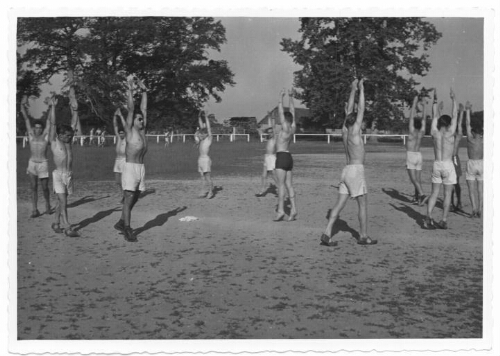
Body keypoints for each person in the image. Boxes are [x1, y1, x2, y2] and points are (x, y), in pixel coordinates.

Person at [320, 78, 377, 246]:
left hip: (346, 170)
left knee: (339, 204)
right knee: (363, 205)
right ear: (356, 121)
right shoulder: (354, 132)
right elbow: (360, 108)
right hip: (356, 171)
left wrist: (352, 89)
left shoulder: (345, 131)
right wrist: (361, 88)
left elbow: (350, 110)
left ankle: (327, 232)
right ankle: (364, 236)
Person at [114, 75, 148, 242]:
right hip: (130, 168)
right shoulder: (129, 130)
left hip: (140, 168)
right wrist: (130, 89)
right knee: (128, 197)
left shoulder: (142, 131)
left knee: (135, 196)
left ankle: (121, 221)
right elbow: (132, 108)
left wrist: (144, 91)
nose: (142, 120)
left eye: (142, 119)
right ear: (132, 120)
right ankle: (127, 228)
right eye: (139, 119)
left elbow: (144, 108)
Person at [423, 88, 458, 230]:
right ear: (449, 124)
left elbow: (434, 116)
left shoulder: (434, 132)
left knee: (434, 193)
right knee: (447, 193)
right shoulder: (450, 133)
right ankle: (443, 219)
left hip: (437, 164)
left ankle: (428, 216)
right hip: (448, 165)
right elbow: (455, 114)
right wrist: (454, 99)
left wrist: (435, 101)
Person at [48, 94, 80, 237]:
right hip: (58, 175)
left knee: (61, 201)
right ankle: (67, 226)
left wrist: (76, 110)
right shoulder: (55, 143)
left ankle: (55, 222)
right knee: (63, 200)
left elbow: (73, 124)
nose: (68, 137)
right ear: (59, 135)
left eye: (69, 135)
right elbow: (53, 124)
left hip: (69, 175)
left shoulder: (69, 143)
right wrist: (53, 107)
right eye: (65, 135)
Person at [20, 95, 52, 218]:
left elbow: (49, 122)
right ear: (34, 128)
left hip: (43, 163)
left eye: (40, 128)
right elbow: (26, 119)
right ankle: (34, 209)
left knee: (44, 187)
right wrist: (22, 106)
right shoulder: (31, 135)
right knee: (33, 187)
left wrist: (50, 106)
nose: (38, 129)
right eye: (36, 127)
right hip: (32, 163)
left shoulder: (45, 136)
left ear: (42, 129)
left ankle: (48, 205)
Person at [274, 89, 297, 222]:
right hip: (289, 157)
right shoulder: (293, 128)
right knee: (289, 185)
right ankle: (293, 210)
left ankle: (281, 210)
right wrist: (292, 98)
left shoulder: (285, 128)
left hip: (281, 157)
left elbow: (280, 111)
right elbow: (292, 113)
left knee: (281, 185)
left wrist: (280, 98)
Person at [406, 94, 428, 205]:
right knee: (418, 179)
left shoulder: (411, 131)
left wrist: (414, 103)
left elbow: (411, 117)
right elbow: (424, 118)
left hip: (411, 155)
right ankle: (417, 198)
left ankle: (422, 194)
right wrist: (424, 107)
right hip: (419, 155)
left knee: (413, 179)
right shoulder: (422, 131)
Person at [464, 101, 483, 218]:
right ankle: (480, 209)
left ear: (473, 131)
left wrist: (467, 111)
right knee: (480, 189)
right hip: (481, 163)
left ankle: (474, 209)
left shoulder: (470, 139)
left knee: (471, 189)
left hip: (472, 163)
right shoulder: (482, 140)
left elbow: (467, 123)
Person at [256, 116, 277, 197]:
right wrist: (258, 129)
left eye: (271, 132)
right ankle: (261, 191)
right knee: (264, 175)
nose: (270, 133)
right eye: (269, 132)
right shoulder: (268, 138)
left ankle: (280, 189)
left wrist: (271, 119)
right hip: (267, 157)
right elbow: (261, 132)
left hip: (271, 157)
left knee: (273, 175)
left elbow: (273, 128)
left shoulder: (274, 138)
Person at [195, 110, 214, 199]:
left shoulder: (209, 139)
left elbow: (208, 128)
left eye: (203, 134)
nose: (201, 135)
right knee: (202, 177)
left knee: (207, 176)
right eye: (200, 134)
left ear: (206, 134)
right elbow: (201, 126)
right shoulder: (202, 140)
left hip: (206, 159)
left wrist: (206, 117)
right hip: (200, 159)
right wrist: (199, 117)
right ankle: (203, 191)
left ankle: (211, 191)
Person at [451, 103, 465, 212]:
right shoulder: (448, 133)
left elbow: (459, 124)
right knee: (449, 183)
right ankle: (451, 203)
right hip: (447, 158)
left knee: (455, 183)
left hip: (454, 159)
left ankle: (459, 202)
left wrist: (461, 113)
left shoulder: (457, 136)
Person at [113, 109, 127, 200]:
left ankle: (125, 196)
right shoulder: (118, 138)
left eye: (122, 133)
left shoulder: (127, 139)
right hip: (117, 161)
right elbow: (115, 126)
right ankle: (122, 194)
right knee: (117, 181)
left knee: (123, 180)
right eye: (120, 133)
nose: (121, 134)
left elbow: (125, 126)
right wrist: (115, 116)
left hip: (124, 160)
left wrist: (121, 116)